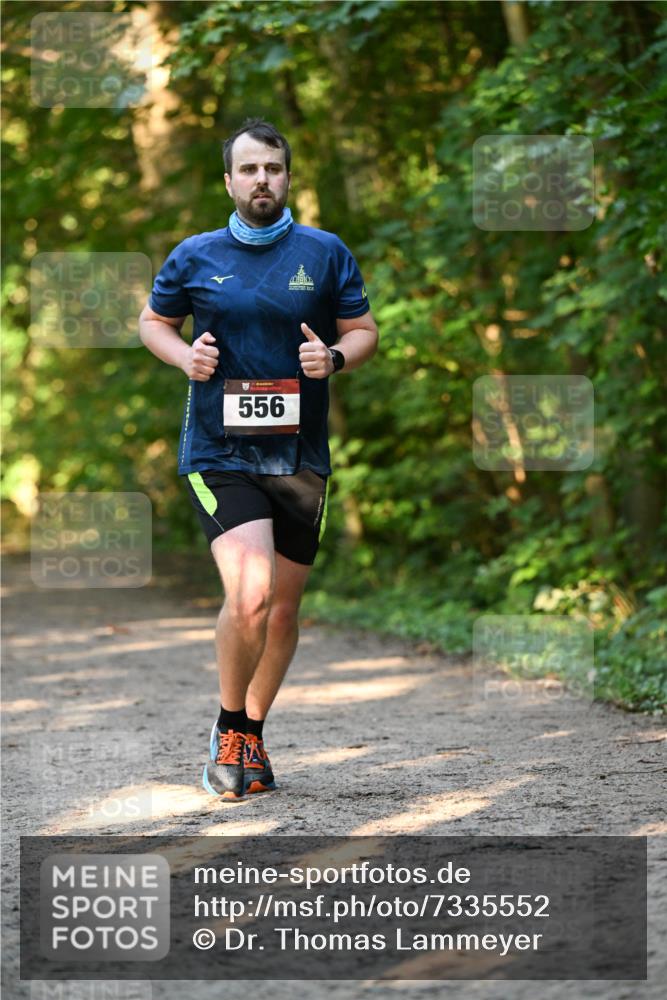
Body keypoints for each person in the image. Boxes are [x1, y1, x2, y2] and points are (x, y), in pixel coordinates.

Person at [138, 118, 378, 799]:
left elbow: (363, 331)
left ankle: (253, 731)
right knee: (249, 593)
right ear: (229, 181)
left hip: (300, 456)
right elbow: (153, 322)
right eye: (248, 169)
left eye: (271, 168)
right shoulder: (195, 255)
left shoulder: (324, 253)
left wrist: (333, 357)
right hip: (219, 451)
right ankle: (227, 728)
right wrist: (185, 356)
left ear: (287, 177)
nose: (261, 180)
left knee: (281, 612)